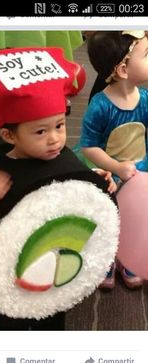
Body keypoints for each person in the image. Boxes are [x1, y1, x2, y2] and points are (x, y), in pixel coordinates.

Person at [0, 47, 119, 331]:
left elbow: (65, 180)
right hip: (13, 275)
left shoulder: (59, 153)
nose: (54, 139)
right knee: (13, 321)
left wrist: (92, 175)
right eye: (40, 132)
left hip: (52, 263)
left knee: (53, 311)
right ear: (8, 135)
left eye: (60, 126)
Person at [79, 30, 148, 290]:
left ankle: (128, 256)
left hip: (140, 168)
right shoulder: (101, 105)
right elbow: (88, 147)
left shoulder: (145, 99)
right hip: (108, 172)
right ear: (122, 70)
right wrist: (116, 167)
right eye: (146, 55)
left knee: (136, 217)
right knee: (107, 217)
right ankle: (106, 257)